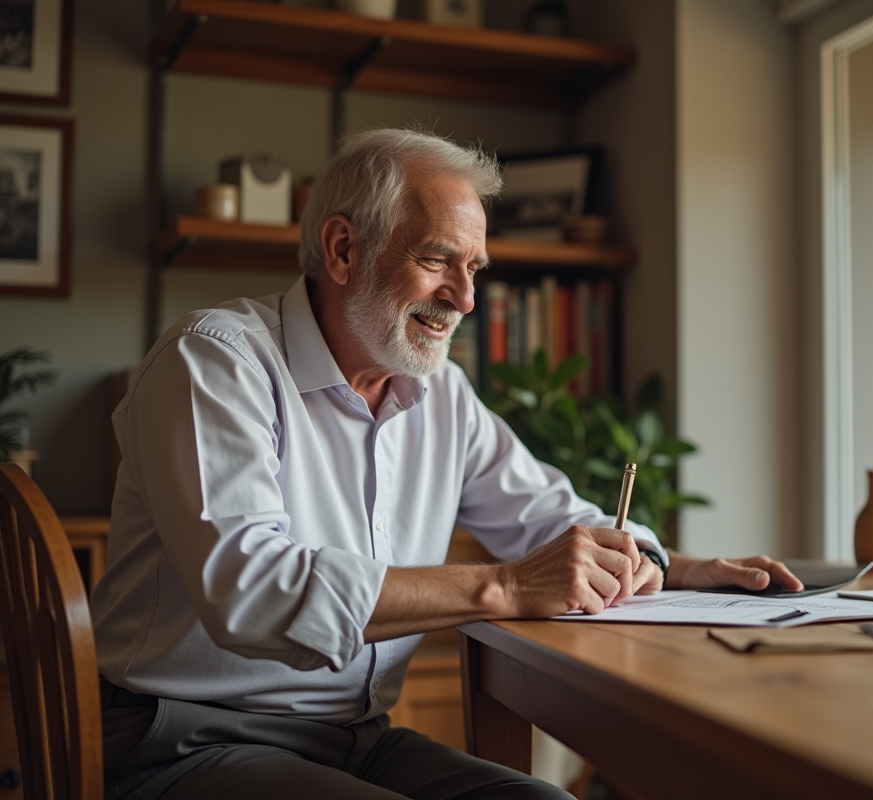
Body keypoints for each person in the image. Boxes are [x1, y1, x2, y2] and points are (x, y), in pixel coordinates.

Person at [91, 128, 802, 800]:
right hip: (180, 743)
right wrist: (504, 586)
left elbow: (551, 520)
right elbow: (253, 592)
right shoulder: (214, 359)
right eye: (437, 260)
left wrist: (669, 564)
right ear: (343, 251)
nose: (464, 299)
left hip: (355, 740)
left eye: (474, 269)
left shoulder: (443, 397)